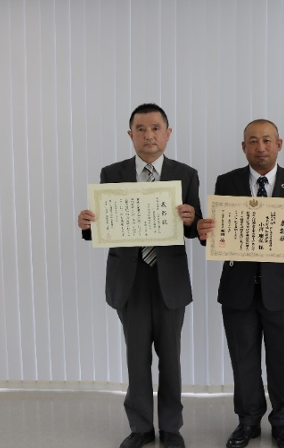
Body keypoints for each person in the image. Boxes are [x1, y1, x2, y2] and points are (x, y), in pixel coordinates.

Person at [77, 103, 201, 448]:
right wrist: (87, 225)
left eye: (156, 128)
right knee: (136, 358)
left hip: (169, 279)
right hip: (129, 279)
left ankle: (171, 428)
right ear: (130, 134)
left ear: (168, 133)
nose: (149, 135)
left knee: (171, 360)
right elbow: (105, 225)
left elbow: (195, 229)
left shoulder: (186, 174)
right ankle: (141, 427)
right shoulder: (111, 173)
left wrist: (192, 219)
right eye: (141, 129)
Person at [196, 119, 284, 448]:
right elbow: (216, 232)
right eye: (253, 141)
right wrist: (204, 232)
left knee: (282, 360)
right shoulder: (227, 182)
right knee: (244, 360)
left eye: (267, 140)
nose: (260, 147)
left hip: (281, 290)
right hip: (238, 289)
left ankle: (282, 421)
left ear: (279, 144)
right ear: (243, 147)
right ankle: (248, 421)